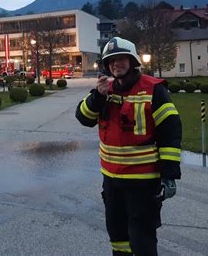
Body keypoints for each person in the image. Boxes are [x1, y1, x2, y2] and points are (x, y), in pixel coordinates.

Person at [76, 37, 181, 256]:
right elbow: (84, 118)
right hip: (112, 182)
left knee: (142, 238)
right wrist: (97, 96)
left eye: (121, 59)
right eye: (111, 61)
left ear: (132, 61)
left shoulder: (154, 90)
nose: (116, 64)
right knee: (118, 238)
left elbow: (170, 131)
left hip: (143, 183)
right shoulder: (105, 90)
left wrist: (169, 175)